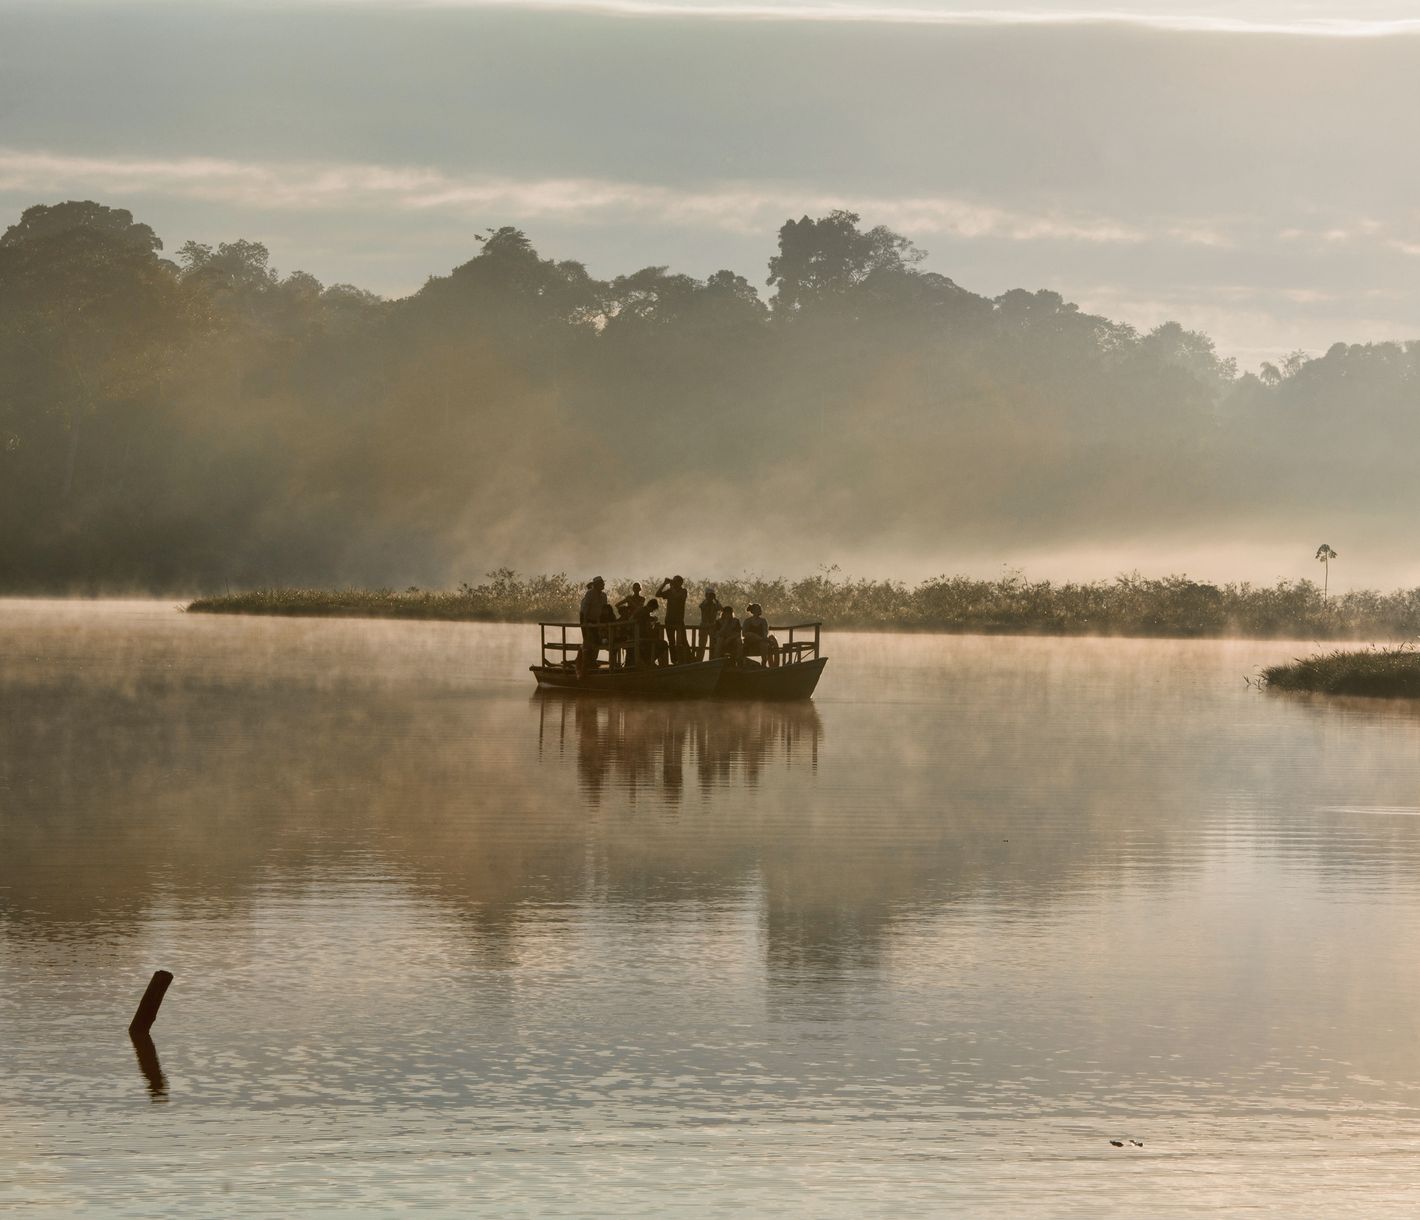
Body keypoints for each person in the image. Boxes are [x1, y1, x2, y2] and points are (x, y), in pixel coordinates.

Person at [577, 576, 608, 676]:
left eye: (603, 583)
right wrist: (585, 624)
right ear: (596, 585)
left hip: (597, 620)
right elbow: (585, 609)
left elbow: (603, 609)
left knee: (597, 640)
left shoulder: (604, 595)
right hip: (586, 618)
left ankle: (592, 660)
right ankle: (584, 664)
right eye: (601, 583)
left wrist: (602, 623)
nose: (603, 584)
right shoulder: (590, 593)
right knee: (587, 640)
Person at [656, 576, 689, 663]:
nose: (674, 583)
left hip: (679, 620)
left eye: (675, 582)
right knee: (671, 642)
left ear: (680, 583)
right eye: (673, 582)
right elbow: (657, 594)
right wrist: (664, 584)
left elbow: (679, 597)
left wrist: (672, 587)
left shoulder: (683, 591)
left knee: (683, 640)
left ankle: (686, 659)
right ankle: (674, 660)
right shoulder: (670, 591)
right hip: (669, 619)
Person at [630, 597, 671, 667]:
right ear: (651, 606)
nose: (652, 611)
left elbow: (645, 622)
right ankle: (649, 660)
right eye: (652, 609)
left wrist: (652, 620)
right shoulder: (644, 612)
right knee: (664, 644)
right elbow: (646, 627)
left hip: (635, 634)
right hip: (639, 635)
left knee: (655, 641)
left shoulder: (642, 610)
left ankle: (648, 660)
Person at [742, 602, 780, 667]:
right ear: (753, 611)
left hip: (761, 641)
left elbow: (765, 632)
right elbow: (744, 633)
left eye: (759, 609)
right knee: (751, 635)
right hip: (750, 641)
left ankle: (764, 663)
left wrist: (762, 638)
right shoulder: (747, 621)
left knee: (764, 644)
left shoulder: (763, 621)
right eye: (757, 609)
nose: (759, 610)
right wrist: (753, 636)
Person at [697, 586, 721, 661]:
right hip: (704, 626)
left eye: (712, 595)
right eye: (709, 595)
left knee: (713, 645)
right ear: (706, 595)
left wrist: (716, 600)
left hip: (713, 627)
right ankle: (699, 660)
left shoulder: (715, 605)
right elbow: (702, 606)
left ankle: (712, 660)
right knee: (702, 646)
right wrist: (708, 599)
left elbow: (721, 608)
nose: (711, 597)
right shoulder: (704, 603)